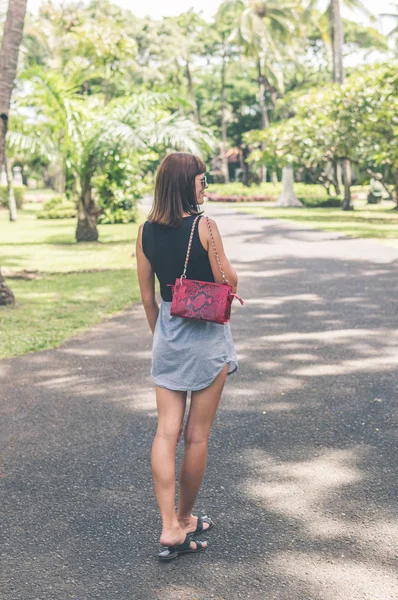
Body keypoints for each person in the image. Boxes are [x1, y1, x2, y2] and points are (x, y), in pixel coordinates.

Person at [135, 152, 240, 560]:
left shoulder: (144, 231)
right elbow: (227, 281)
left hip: (167, 336)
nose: (205, 186)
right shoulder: (205, 226)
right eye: (201, 179)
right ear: (185, 184)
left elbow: (147, 299)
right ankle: (183, 518)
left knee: (166, 432)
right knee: (196, 436)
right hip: (207, 338)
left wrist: (163, 337)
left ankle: (169, 527)